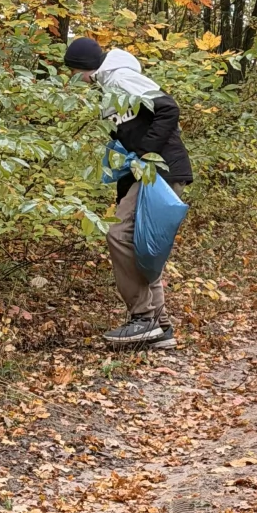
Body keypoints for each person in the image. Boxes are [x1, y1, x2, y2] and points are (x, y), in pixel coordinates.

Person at [64, 37, 193, 349]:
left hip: (159, 170)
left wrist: (145, 154)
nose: (79, 79)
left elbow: (168, 109)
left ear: (87, 67)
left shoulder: (120, 77)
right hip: (143, 173)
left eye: (77, 72)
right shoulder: (106, 89)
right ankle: (160, 328)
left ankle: (143, 318)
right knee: (144, 246)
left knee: (118, 234)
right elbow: (126, 138)